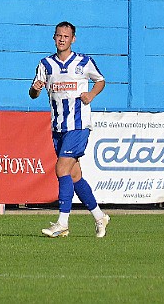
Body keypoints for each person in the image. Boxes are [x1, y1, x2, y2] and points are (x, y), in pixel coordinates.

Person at [29, 21, 110, 238]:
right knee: (75, 176)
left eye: (66, 36)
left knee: (61, 169)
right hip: (58, 127)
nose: (62, 39)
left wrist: (91, 95)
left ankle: (62, 223)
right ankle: (99, 216)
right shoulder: (46, 65)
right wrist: (35, 89)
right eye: (58, 36)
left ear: (73, 39)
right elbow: (33, 93)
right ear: (54, 38)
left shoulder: (84, 62)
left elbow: (100, 81)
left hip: (78, 125)